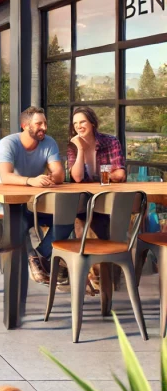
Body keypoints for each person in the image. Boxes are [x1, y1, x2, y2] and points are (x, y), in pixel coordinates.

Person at [0, 106, 70, 287]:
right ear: (24, 125)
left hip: (34, 202)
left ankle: (39, 257)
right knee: (17, 216)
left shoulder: (48, 142)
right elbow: (5, 176)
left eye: (45, 123)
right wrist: (30, 181)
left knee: (66, 217)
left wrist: (50, 178)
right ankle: (34, 260)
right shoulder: (8, 143)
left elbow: (59, 173)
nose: (43, 127)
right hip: (5, 202)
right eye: (39, 124)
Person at [65, 105, 126, 294]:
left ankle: (100, 278)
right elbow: (76, 177)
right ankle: (91, 276)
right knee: (80, 223)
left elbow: (120, 174)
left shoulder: (110, 142)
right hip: (83, 200)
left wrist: (100, 175)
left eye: (82, 121)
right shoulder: (73, 145)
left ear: (92, 122)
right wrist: (81, 149)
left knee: (100, 227)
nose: (79, 126)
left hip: (107, 198)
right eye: (75, 123)